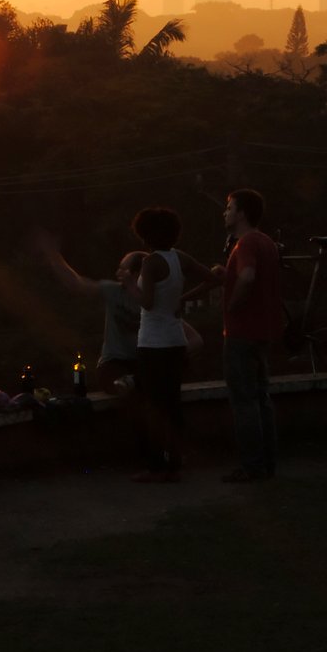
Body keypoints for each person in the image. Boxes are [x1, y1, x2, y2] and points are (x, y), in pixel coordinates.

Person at [130, 206, 211, 483]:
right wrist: (184, 298)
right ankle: (174, 463)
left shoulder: (151, 262)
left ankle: (156, 467)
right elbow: (213, 278)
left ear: (146, 235)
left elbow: (148, 303)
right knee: (172, 404)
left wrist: (129, 284)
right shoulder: (180, 258)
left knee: (154, 406)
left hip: (153, 343)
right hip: (176, 341)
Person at [217, 188, 282, 483]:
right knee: (261, 399)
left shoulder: (245, 243)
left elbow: (247, 276)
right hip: (264, 330)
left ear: (242, 213)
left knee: (243, 402)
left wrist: (232, 305)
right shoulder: (266, 242)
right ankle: (267, 463)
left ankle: (251, 466)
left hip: (242, 332)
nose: (225, 212)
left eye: (229, 208)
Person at [36, 234, 144, 394]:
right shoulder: (114, 291)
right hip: (114, 362)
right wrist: (54, 255)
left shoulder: (154, 301)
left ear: (136, 274)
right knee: (118, 385)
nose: (117, 272)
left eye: (122, 269)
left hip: (141, 362)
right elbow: (77, 284)